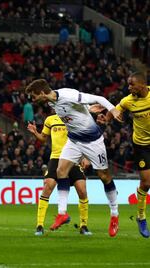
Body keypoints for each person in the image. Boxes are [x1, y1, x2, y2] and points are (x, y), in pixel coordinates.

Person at [25, 79, 123, 237]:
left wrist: (113, 110)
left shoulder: (68, 94)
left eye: (33, 96)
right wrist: (89, 110)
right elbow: (75, 111)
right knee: (61, 171)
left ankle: (114, 214)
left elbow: (99, 98)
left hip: (92, 142)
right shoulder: (51, 103)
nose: (33, 100)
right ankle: (62, 213)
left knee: (104, 176)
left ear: (42, 93)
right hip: (74, 141)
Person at [27, 115, 91, 236]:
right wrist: (35, 132)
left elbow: (84, 139)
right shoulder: (50, 119)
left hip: (73, 158)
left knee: (82, 190)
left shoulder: (74, 117)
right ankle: (39, 225)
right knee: (47, 186)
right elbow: (43, 138)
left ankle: (84, 225)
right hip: (56, 158)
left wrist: (85, 156)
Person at [106, 72, 150, 238]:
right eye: (128, 84)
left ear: (142, 85)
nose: (129, 88)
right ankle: (141, 217)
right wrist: (107, 118)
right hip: (142, 145)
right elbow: (115, 109)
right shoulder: (128, 101)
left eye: (132, 85)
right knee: (146, 183)